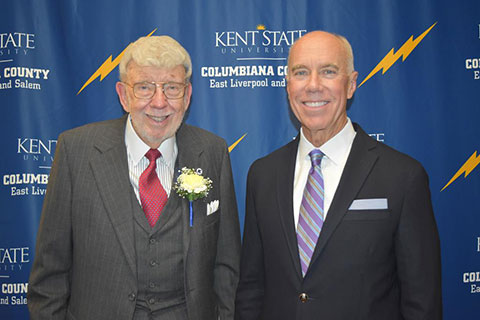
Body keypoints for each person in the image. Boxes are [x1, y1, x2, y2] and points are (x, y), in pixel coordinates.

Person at [28, 35, 241, 320]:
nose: (159, 102)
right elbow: (49, 277)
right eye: (144, 88)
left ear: (188, 95)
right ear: (123, 95)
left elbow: (226, 269)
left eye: (172, 88)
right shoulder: (75, 151)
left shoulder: (213, 152)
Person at [235, 31, 442, 320]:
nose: (313, 85)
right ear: (288, 84)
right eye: (301, 72)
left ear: (351, 84)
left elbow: (421, 302)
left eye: (328, 71)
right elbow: (251, 289)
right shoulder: (262, 174)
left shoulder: (403, 177)